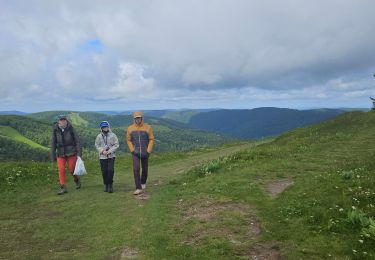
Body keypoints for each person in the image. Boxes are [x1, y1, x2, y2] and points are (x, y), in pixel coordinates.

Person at [51, 114, 82, 195]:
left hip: (71, 152)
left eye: (64, 120)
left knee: (72, 170)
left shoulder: (71, 128)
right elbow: (53, 143)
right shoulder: (55, 129)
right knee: (61, 170)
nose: (63, 121)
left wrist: (79, 154)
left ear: (66, 120)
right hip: (60, 153)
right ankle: (63, 188)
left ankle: (77, 180)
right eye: (61, 120)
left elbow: (77, 141)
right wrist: (53, 156)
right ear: (58, 121)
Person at [126, 111, 154, 195]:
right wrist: (132, 150)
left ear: (141, 118)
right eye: (136, 118)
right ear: (134, 119)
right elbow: (128, 140)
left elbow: (151, 139)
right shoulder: (130, 128)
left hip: (145, 151)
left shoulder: (148, 127)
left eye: (138, 118)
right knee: (136, 169)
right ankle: (138, 187)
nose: (137, 119)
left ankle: (143, 182)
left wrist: (148, 151)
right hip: (135, 152)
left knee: (145, 169)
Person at [95, 121, 119, 193]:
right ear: (101, 128)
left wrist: (110, 151)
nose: (105, 128)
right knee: (104, 171)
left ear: (108, 127)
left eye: (106, 127)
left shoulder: (113, 135)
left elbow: (116, 145)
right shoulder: (99, 136)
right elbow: (97, 145)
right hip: (102, 157)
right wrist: (102, 151)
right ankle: (106, 184)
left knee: (110, 170)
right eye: (103, 127)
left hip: (111, 156)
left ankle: (110, 185)